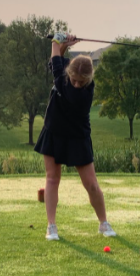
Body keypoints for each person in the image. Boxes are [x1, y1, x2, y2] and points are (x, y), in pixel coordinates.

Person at [34, 32, 117, 240]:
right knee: (52, 179)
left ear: (88, 79)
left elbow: (55, 60)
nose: (77, 84)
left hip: (77, 137)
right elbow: (57, 63)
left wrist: (57, 41)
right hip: (54, 131)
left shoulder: (82, 93)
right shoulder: (64, 75)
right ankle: (51, 226)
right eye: (74, 80)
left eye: (82, 81)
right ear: (68, 73)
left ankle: (103, 223)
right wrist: (65, 45)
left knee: (91, 184)